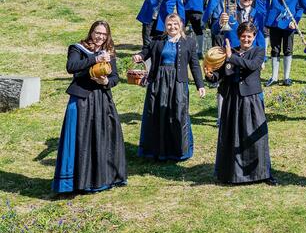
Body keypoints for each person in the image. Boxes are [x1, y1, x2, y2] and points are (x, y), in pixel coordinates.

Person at [53, 21, 126, 194]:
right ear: (91, 32)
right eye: (97, 32)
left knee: (102, 137)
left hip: (102, 99)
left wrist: (106, 81)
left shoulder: (109, 52)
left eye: (104, 34)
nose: (100, 36)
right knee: (81, 139)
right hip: (82, 99)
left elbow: (115, 77)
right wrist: (95, 59)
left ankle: (102, 179)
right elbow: (71, 67)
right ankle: (78, 182)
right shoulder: (78, 48)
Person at [205, 23, 275, 185]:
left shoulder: (258, 51)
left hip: (252, 99)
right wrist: (210, 75)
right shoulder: (232, 51)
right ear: (239, 36)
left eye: (249, 36)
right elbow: (220, 74)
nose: (246, 39)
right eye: (243, 36)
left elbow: (251, 66)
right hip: (232, 99)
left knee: (256, 138)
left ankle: (262, 173)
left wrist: (231, 57)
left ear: (254, 37)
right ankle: (232, 174)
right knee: (233, 136)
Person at [133, 13, 206, 161]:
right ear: (165, 26)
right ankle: (155, 150)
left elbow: (194, 65)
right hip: (158, 81)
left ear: (181, 25)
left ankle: (178, 150)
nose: (172, 27)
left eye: (175, 24)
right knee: (156, 112)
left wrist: (200, 85)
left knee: (178, 113)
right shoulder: (157, 40)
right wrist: (139, 56)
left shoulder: (189, 42)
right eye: (169, 24)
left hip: (178, 82)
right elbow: (145, 52)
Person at [265, 0, 303, 86]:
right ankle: (274, 77)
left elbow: (300, 8)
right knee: (275, 49)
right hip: (275, 23)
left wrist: (295, 21)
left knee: (288, 49)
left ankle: (287, 77)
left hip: (289, 24)